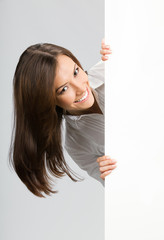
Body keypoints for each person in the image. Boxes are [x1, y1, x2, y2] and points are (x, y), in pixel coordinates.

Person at [9, 39, 117, 197]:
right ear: (47, 102)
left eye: (75, 72)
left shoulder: (111, 68)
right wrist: (114, 176)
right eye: (64, 89)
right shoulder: (77, 145)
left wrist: (127, 48)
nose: (81, 87)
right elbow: (123, 193)